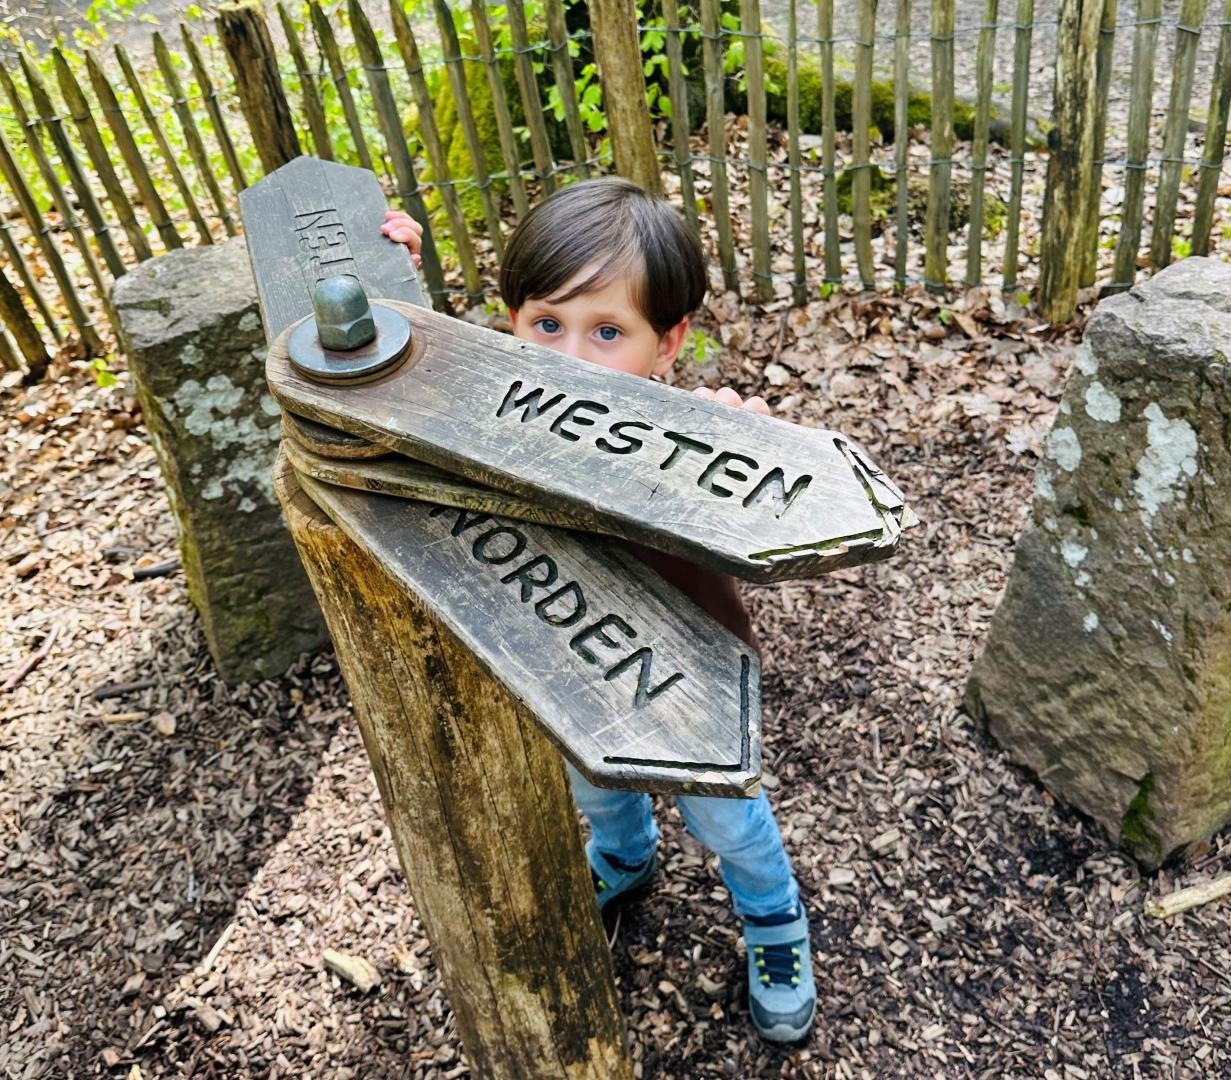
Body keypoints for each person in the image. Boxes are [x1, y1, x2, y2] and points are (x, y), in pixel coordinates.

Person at [380, 178, 815, 1045]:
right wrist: (397, 284)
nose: (570, 358)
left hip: (686, 679)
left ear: (667, 343)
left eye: (607, 332)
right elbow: (431, 387)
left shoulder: (686, 435)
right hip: (570, 671)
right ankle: (623, 857)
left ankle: (773, 918)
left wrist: (743, 442)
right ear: (513, 322)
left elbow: (764, 505)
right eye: (547, 324)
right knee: (596, 786)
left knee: (724, 817)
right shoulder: (508, 412)